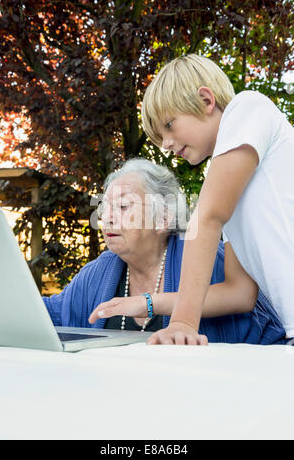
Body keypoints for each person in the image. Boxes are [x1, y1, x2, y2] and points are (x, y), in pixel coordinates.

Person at [43, 158, 286, 345]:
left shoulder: (212, 260)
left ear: (163, 218)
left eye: (123, 206)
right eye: (105, 208)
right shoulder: (99, 271)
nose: (106, 218)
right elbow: (48, 315)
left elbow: (267, 332)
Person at [140, 53, 294, 345]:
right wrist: (148, 302)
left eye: (169, 125)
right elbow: (239, 292)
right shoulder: (232, 188)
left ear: (206, 101)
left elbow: (207, 216)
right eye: (160, 139)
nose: (168, 145)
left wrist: (183, 323)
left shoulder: (247, 107)